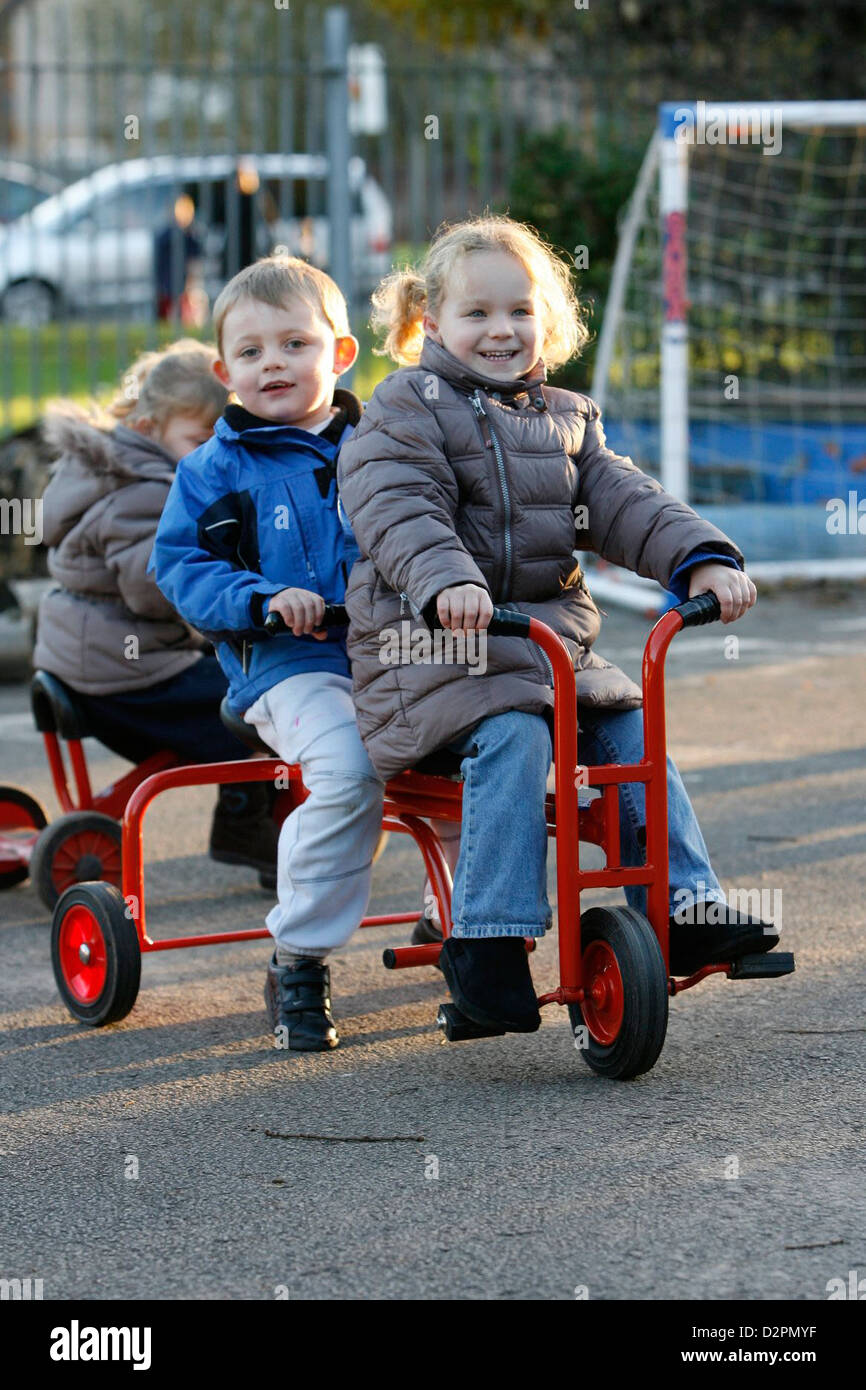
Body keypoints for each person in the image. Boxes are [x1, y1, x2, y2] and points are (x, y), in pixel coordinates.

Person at [337, 215, 782, 1035]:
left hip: (548, 659)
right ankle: (489, 942)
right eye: (477, 314)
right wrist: (446, 585)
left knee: (635, 731)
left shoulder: (566, 419)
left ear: (547, 321)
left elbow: (625, 501)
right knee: (512, 737)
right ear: (431, 323)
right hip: (434, 660)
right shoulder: (405, 409)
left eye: (519, 312)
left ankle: (684, 905)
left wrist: (702, 560)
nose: (501, 331)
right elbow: (396, 508)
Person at [151, 256, 385, 1052]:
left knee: (479, 755)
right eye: (251, 353)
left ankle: (464, 922)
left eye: (294, 343)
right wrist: (259, 597)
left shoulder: (382, 445)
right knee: (351, 773)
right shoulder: (212, 470)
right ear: (225, 372)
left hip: (398, 656)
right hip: (286, 667)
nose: (273, 363)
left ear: (340, 354)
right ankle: (301, 955)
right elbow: (179, 568)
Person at [34, 340, 279, 887]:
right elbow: (158, 591)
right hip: (129, 677)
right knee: (258, 697)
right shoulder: (146, 494)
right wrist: (234, 605)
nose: (210, 454)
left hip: (95, 663)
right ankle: (244, 824)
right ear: (148, 428)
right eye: (198, 441)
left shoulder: (106, 471)